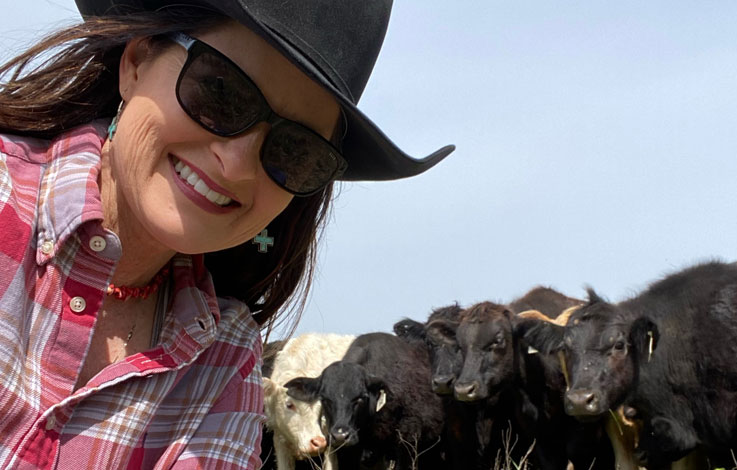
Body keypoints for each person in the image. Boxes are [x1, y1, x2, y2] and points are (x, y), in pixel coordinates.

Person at [0, 0, 453, 468]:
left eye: (296, 150)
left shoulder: (224, 364)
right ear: (135, 62)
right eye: (219, 91)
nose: (236, 164)